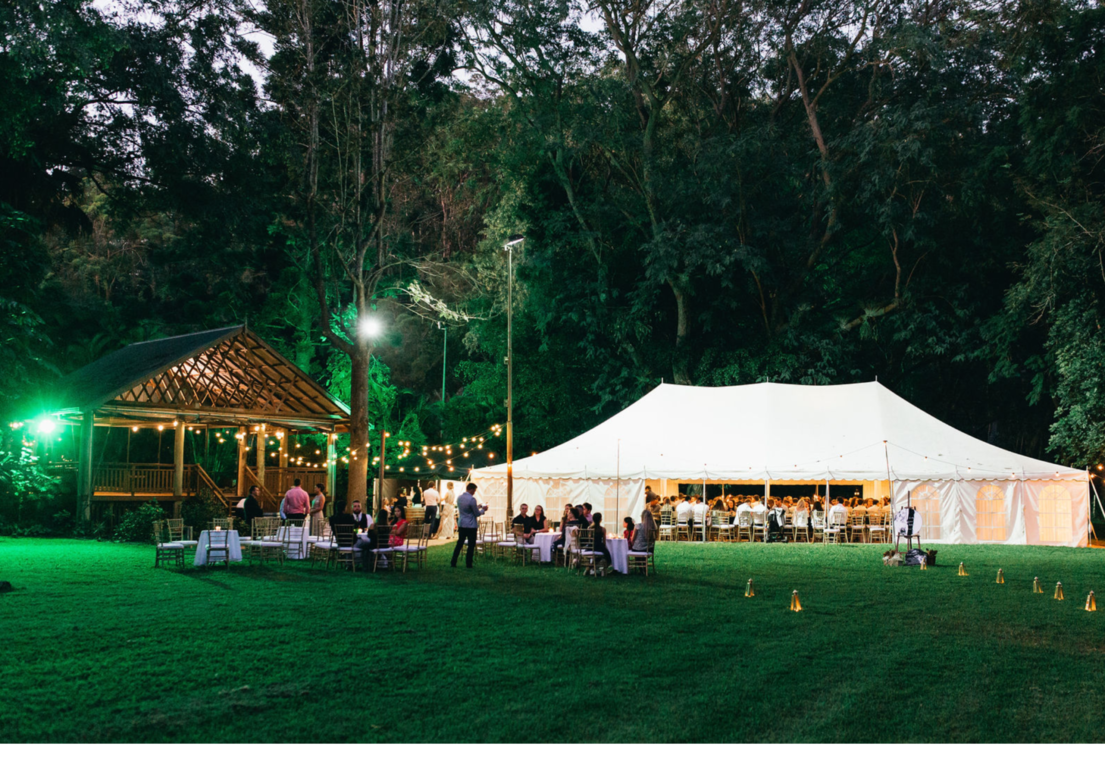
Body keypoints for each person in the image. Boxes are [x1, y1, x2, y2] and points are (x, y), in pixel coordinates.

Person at [451, 482, 487, 568]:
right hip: (471, 525)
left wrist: (477, 506)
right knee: (471, 545)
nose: (474, 492)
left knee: (459, 543)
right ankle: (468, 563)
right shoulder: (472, 499)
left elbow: (467, 509)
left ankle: (453, 561)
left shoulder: (459, 498)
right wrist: (483, 510)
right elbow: (476, 513)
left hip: (462, 523)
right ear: (471, 489)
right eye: (474, 490)